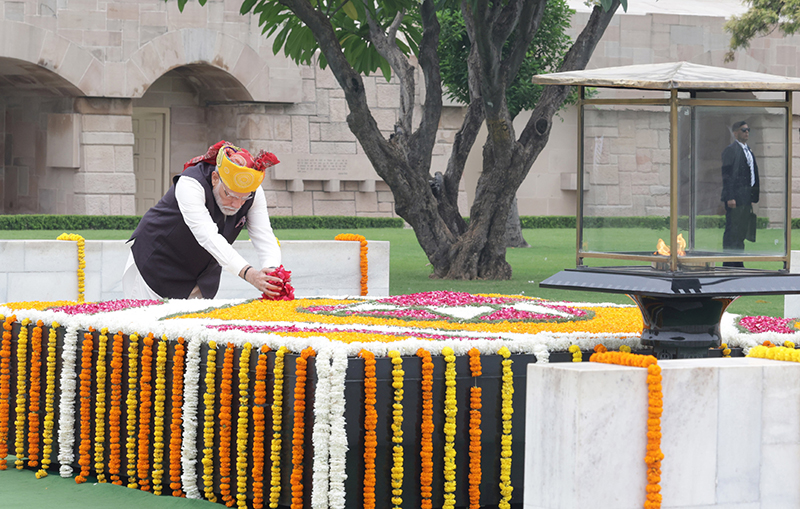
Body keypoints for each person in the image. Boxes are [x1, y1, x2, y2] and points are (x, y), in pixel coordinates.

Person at [123, 141, 284, 299]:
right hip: (155, 270)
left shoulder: (252, 190)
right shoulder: (190, 184)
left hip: (201, 280)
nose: (237, 204)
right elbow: (208, 237)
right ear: (215, 178)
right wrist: (250, 274)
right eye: (230, 195)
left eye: (244, 198)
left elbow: (264, 235)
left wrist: (272, 273)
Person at [720, 120, 759, 267]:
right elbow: (727, 175)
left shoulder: (748, 150)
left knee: (742, 230)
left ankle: (738, 261)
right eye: (744, 130)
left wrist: (753, 195)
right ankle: (729, 263)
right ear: (735, 132)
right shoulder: (731, 150)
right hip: (735, 197)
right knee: (732, 230)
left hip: (745, 197)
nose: (747, 132)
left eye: (748, 130)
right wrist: (730, 196)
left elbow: (752, 174)